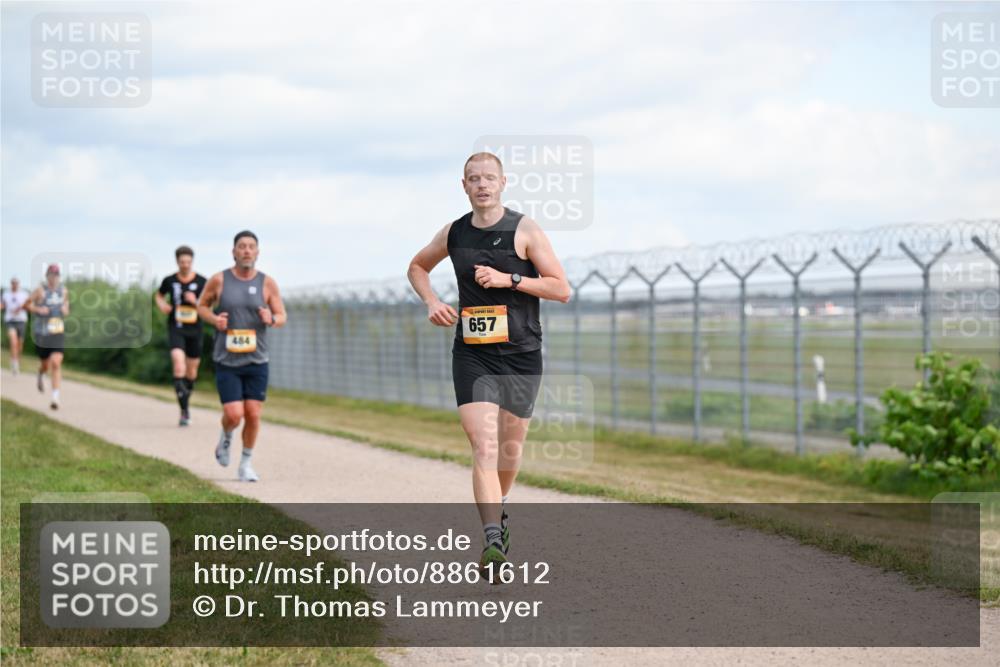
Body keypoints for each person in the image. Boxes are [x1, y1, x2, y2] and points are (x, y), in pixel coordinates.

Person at [406, 152, 570, 580]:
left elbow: (561, 288)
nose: (482, 185)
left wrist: (510, 280)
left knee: (511, 449)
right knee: (484, 445)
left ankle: (500, 509)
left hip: (520, 353)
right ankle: (493, 539)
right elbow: (417, 266)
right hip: (472, 352)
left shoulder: (525, 230)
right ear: (464, 186)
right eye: (474, 178)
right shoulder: (454, 232)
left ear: (502, 183)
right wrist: (432, 301)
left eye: (489, 178)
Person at [197, 231, 286, 482]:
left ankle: (245, 464)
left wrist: (272, 319)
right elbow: (201, 306)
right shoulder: (219, 280)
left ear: (257, 252)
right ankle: (225, 437)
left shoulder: (267, 283)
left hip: (257, 359)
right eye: (242, 246)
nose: (246, 250)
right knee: (234, 414)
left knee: (253, 414)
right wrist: (214, 319)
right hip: (227, 360)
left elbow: (282, 316)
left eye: (251, 247)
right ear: (234, 252)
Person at [156, 246, 208, 426]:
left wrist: (197, 302)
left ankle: (185, 401)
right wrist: (162, 304)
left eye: (188, 262)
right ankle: (184, 411)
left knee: (192, 371)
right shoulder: (169, 280)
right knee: (179, 364)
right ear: (177, 261)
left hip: (195, 330)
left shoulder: (202, 281)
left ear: (192, 262)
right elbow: (159, 295)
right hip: (176, 327)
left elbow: (211, 303)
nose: (185, 265)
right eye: (182, 262)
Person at [26, 264, 69, 409]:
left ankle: (55, 398)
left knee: (56, 363)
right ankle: (41, 373)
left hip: (57, 330)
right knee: (45, 365)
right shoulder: (39, 291)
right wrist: (38, 309)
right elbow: (26, 305)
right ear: (47, 276)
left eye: (56, 275)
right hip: (42, 333)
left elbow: (66, 309)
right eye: (51, 274)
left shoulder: (63, 291)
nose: (54, 277)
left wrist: (64, 309)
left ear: (59, 277)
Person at [1, 276, 30, 375]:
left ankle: (16, 359)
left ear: (18, 284)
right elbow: (3, 305)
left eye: (16, 283)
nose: (14, 285)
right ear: (11, 284)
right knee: (13, 341)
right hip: (10, 320)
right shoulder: (6, 293)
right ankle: (14, 363)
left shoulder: (24, 294)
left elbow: (29, 306)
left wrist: (21, 308)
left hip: (21, 320)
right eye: (13, 283)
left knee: (19, 344)